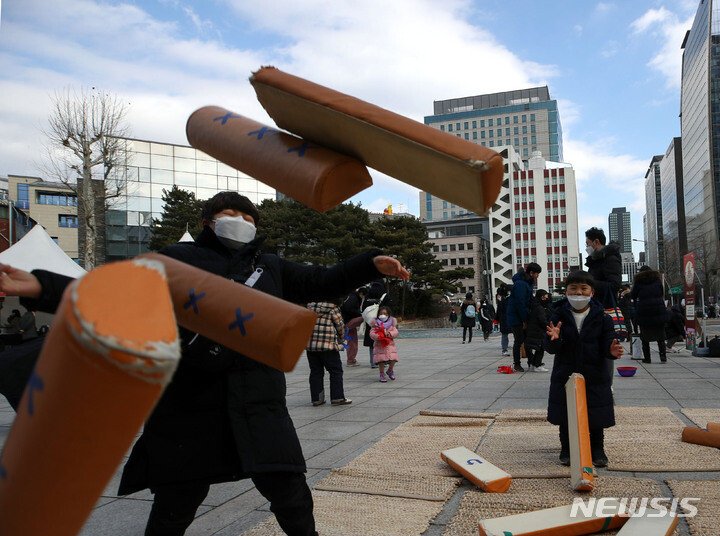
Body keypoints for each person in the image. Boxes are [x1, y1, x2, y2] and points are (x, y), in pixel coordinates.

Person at [1, 191, 409, 536]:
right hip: (190, 397)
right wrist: (40, 284)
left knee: (289, 489)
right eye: (229, 214)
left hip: (258, 398)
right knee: (177, 500)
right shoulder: (176, 260)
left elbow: (323, 280)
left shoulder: (270, 266)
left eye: (248, 216)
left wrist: (369, 263)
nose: (240, 221)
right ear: (208, 221)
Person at [545, 270, 623, 468]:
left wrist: (611, 351)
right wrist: (555, 338)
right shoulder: (557, 315)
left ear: (592, 292)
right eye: (573, 288)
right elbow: (551, 348)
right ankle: (567, 448)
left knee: (595, 412)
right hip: (565, 371)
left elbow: (607, 343)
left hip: (594, 372)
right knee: (566, 412)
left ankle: (597, 448)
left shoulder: (603, 317)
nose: (578, 293)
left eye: (583, 288)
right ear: (566, 292)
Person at [306, 301, 351, 406]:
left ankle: (317, 399)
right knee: (335, 371)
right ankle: (337, 397)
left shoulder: (309, 307)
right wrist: (342, 337)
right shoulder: (332, 307)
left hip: (311, 347)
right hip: (328, 346)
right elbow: (340, 325)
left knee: (316, 372)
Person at [507, 263, 542, 372]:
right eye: (537, 274)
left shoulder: (527, 283)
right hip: (517, 317)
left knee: (527, 340)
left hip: (522, 316)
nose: (537, 276)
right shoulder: (521, 284)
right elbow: (520, 303)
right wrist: (524, 320)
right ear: (531, 273)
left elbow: (529, 300)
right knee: (519, 340)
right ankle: (517, 363)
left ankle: (531, 362)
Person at [631, 266, 669, 364]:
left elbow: (633, 295)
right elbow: (661, 292)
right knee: (660, 335)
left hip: (644, 311)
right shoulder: (657, 280)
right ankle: (663, 356)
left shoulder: (638, 282)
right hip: (658, 310)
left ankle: (647, 358)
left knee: (645, 336)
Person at [584, 228, 622, 309]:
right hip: (596, 306)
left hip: (605, 307)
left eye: (588, 244)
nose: (587, 247)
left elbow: (614, 286)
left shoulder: (610, 259)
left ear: (596, 241)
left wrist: (588, 283)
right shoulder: (595, 260)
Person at [369, 305, 399, 382]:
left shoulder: (391, 324)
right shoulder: (375, 324)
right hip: (379, 345)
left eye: (385, 314)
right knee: (381, 360)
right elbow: (372, 333)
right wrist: (378, 336)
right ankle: (381, 374)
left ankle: (390, 370)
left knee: (393, 359)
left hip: (390, 345)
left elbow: (395, 332)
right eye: (381, 313)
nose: (383, 315)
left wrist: (390, 334)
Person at [524, 289, 550, 372]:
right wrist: (548, 327)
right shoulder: (539, 308)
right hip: (538, 330)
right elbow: (542, 320)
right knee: (541, 348)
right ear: (542, 297)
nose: (547, 299)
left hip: (532, 329)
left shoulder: (533, 305)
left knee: (535, 348)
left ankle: (532, 363)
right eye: (546, 297)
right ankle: (537, 365)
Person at [362, 280, 386, 369]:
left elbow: (363, 310)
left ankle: (373, 362)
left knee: (372, 343)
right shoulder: (383, 295)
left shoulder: (368, 296)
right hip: (382, 323)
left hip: (370, 323)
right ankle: (382, 360)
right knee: (382, 342)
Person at [340, 287, 366, 366]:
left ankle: (351, 359)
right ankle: (351, 360)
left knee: (352, 340)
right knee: (365, 317)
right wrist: (360, 314)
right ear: (361, 293)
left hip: (346, 321)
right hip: (348, 321)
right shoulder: (353, 297)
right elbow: (349, 308)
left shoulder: (350, 295)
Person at [495, 286, 511, 356]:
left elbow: (498, 310)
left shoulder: (500, 300)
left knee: (504, 335)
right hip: (510, 319)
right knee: (516, 335)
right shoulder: (509, 299)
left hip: (504, 319)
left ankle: (504, 350)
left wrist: (497, 319)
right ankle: (518, 348)